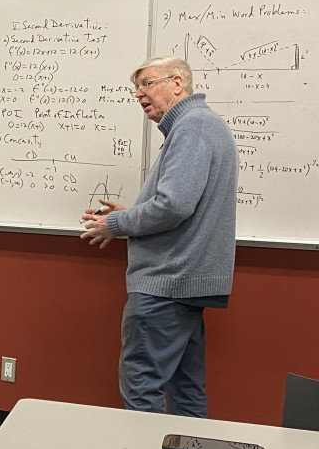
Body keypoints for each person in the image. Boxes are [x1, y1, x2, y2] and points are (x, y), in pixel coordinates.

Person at [80, 56, 237, 418]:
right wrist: (128, 214)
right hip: (183, 282)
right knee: (185, 386)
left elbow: (174, 206)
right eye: (136, 87)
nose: (139, 94)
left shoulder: (192, 127)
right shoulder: (201, 125)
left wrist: (115, 225)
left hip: (166, 283)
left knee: (141, 382)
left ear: (178, 83)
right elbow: (177, 205)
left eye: (148, 83)